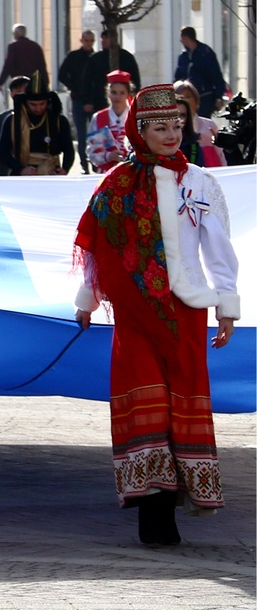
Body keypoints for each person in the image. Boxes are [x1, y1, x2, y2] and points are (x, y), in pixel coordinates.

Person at [73, 83, 239, 545]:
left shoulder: (199, 182)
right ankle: (154, 514)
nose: (171, 135)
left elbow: (218, 249)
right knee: (147, 404)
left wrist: (227, 304)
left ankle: (179, 501)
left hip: (184, 310)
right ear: (139, 131)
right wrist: (87, 300)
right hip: (135, 313)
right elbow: (100, 251)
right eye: (160, 127)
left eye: (177, 126)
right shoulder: (116, 184)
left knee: (178, 403)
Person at [0, 74, 75, 176]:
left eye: (42, 104)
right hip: (22, 174)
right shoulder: (12, 120)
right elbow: (3, 152)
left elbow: (69, 151)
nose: (38, 108)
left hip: (51, 174)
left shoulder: (59, 120)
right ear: (26, 102)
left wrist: (65, 169)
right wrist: (20, 169)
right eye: (33, 104)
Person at [82, 29, 141, 125]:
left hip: (124, 102)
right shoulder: (95, 58)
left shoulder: (127, 57)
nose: (103, 41)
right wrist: (87, 101)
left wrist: (134, 98)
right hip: (99, 101)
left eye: (107, 38)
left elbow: (135, 80)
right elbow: (86, 81)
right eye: (102, 38)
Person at [58, 29, 99, 169]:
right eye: (86, 40)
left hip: (94, 100)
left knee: (95, 133)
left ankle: (95, 162)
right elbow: (62, 75)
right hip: (78, 99)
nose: (89, 43)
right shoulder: (73, 56)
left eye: (91, 41)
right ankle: (83, 163)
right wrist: (74, 87)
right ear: (81, 41)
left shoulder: (96, 57)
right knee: (81, 134)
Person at [87, 71, 135, 173]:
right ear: (108, 93)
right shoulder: (98, 118)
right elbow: (91, 151)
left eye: (122, 93)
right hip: (105, 174)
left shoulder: (135, 117)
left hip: (131, 173)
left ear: (128, 94)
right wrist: (108, 156)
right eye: (114, 92)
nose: (117, 97)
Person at [174, 28, 228, 118]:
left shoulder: (205, 53)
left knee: (202, 122)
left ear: (186, 38)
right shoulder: (183, 56)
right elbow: (178, 77)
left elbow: (216, 75)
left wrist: (219, 97)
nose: (180, 41)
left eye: (181, 38)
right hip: (186, 98)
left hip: (204, 97)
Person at [173, 81, 225, 167]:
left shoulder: (210, 125)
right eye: (180, 96)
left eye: (188, 96)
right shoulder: (168, 131)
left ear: (196, 101)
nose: (184, 99)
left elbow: (220, 153)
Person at [0, 24, 47, 93]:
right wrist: (46, 83)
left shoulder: (13, 46)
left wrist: (1, 82)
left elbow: (8, 65)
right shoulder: (35, 46)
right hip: (33, 82)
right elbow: (42, 66)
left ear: (16, 34)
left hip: (18, 82)